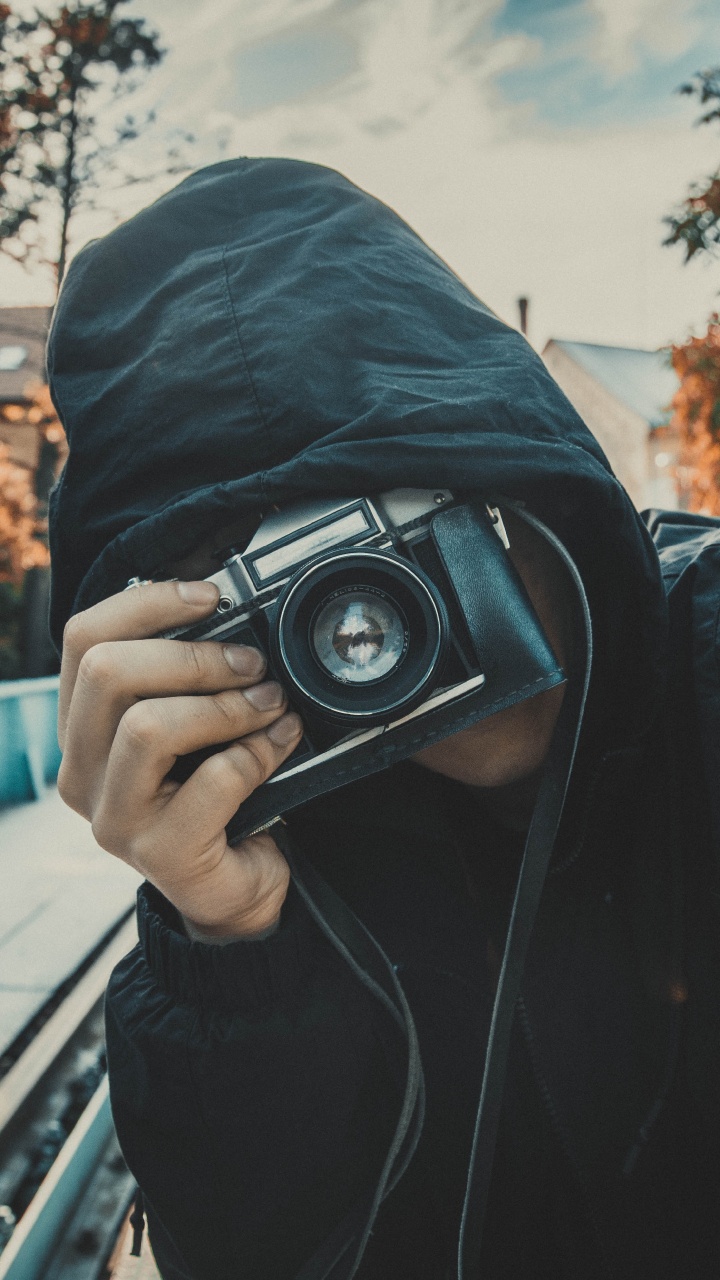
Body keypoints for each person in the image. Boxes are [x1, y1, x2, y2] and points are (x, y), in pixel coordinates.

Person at [47, 158, 719, 1279]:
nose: (367, 626)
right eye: (285, 592)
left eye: (389, 517)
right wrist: (226, 946)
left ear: (520, 467)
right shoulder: (293, 840)